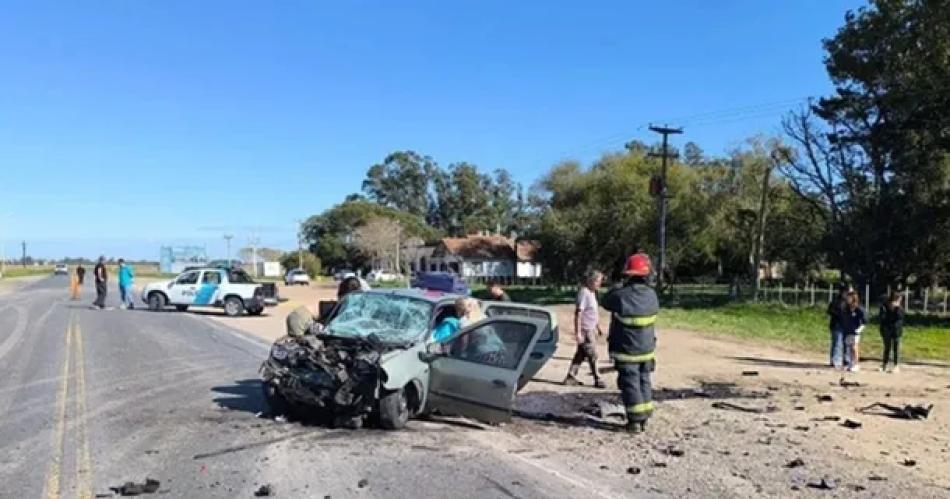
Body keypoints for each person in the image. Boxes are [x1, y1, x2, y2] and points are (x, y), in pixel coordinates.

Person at [603, 253, 659, 434]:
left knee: (630, 383)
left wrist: (617, 285)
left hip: (627, 350)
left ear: (628, 273)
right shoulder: (652, 295)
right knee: (644, 381)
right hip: (647, 349)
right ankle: (645, 415)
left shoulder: (621, 295)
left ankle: (635, 421)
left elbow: (605, 301)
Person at [564, 270, 605, 388]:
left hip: (591, 329)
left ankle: (570, 377)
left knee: (581, 354)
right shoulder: (584, 293)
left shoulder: (592, 294)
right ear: (591, 281)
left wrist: (598, 327)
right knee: (593, 355)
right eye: (598, 281)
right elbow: (579, 313)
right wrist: (578, 332)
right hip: (585, 330)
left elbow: (592, 313)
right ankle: (598, 378)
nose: (599, 284)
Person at [826, 283, 852, 368]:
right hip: (837, 325)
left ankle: (847, 360)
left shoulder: (850, 302)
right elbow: (830, 311)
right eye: (847, 292)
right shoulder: (836, 301)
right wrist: (839, 315)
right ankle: (835, 360)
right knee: (837, 343)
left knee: (847, 343)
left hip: (847, 325)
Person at [840, 290, 866, 372]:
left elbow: (864, 320)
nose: (847, 299)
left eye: (849, 298)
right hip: (848, 330)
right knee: (850, 348)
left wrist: (859, 329)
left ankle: (856, 364)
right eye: (847, 298)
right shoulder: (846, 308)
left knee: (855, 347)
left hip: (856, 331)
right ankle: (851, 363)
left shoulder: (859, 309)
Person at [879, 291, 904, 373]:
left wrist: (897, 308)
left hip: (897, 330)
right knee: (887, 347)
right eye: (899, 298)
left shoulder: (900, 308)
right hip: (887, 329)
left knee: (896, 348)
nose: (900, 300)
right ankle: (884, 364)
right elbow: (882, 317)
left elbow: (900, 317)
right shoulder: (884, 306)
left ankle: (896, 365)